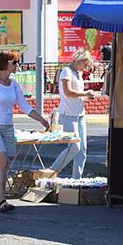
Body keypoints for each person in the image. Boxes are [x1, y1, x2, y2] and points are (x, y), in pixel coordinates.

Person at [0, 51, 49, 212]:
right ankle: (1, 200)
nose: (17, 65)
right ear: (5, 63)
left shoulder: (13, 84)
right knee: (2, 162)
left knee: (4, 164)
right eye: (15, 62)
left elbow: (25, 106)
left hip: (7, 127)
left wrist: (41, 119)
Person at [50, 50, 97, 179]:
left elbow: (76, 95)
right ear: (79, 60)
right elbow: (68, 92)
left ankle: (77, 179)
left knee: (82, 150)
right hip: (68, 115)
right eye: (85, 64)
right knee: (74, 147)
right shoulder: (66, 71)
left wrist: (87, 97)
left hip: (80, 114)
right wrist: (86, 94)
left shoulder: (78, 74)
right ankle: (52, 171)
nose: (85, 68)